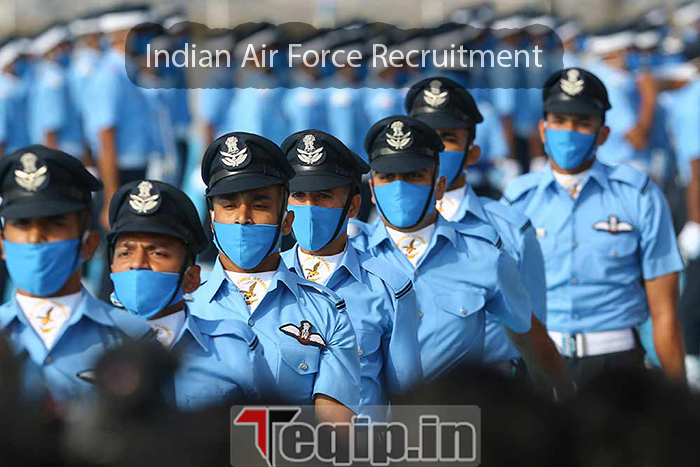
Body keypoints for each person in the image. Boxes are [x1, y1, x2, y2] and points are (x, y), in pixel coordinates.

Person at [349, 116, 572, 397]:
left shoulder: (484, 257)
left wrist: (566, 402)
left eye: (414, 176)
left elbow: (532, 341)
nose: (399, 187)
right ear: (372, 189)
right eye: (387, 177)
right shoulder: (353, 257)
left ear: (439, 186)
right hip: (373, 434)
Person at [502, 68, 686, 385]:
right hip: (539, 363)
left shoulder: (638, 195)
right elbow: (505, 303)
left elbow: (665, 313)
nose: (569, 132)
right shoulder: (518, 200)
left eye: (583, 123)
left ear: (602, 134)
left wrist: (681, 403)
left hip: (617, 367)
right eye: (559, 121)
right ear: (543, 130)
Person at [190, 132, 360, 422]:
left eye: (259, 205)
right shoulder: (187, 308)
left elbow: (336, 435)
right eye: (229, 205)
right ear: (213, 220)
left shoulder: (327, 312)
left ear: (286, 221)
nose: (243, 218)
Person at [405, 77, 548, 370]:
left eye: (448, 139)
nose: (435, 149)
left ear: (472, 153)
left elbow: (535, 334)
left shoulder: (510, 229)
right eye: (426, 137)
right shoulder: (373, 229)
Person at [280, 130, 422, 420]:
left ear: (353, 206)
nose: (309, 207)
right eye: (298, 195)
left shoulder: (389, 288)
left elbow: (409, 403)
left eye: (323, 196)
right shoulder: (268, 281)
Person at [0, 145, 153, 403]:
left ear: (88, 244)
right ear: (2, 244)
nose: (36, 237)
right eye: (22, 224)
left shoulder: (132, 339)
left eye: (55, 223)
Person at [107, 179, 275, 410]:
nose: (138, 264)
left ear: (192, 278)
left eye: (157, 253)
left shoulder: (234, 348)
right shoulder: (88, 346)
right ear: (112, 269)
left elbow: (271, 439)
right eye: (125, 253)